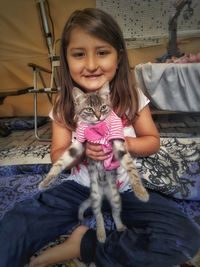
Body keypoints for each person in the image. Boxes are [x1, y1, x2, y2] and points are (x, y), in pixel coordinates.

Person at [0, 8, 199, 267]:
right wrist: (81, 150)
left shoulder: (131, 96)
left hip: (125, 188)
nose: (91, 65)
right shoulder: (64, 102)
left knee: (184, 236)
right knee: (17, 224)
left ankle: (84, 245)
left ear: (118, 56)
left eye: (102, 52)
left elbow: (152, 141)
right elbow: (57, 155)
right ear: (66, 60)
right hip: (79, 188)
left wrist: (125, 144)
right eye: (79, 54)